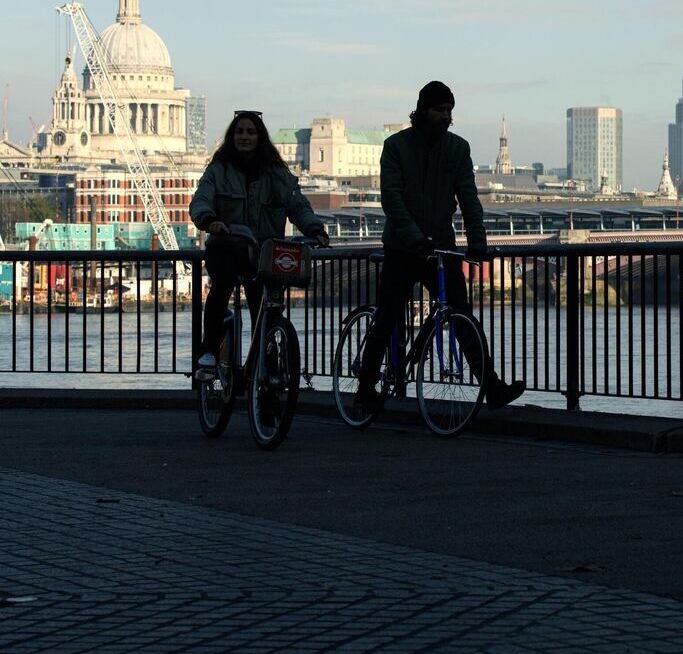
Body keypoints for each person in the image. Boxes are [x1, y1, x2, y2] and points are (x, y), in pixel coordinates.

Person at [357, 80, 524, 412]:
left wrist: (477, 243)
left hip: (441, 248)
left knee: (461, 317)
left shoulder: (458, 149)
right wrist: (413, 237)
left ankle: (491, 388)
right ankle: (364, 388)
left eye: (448, 111)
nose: (445, 116)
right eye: (438, 110)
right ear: (421, 111)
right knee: (388, 315)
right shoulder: (395, 147)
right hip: (403, 249)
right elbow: (392, 200)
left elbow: (469, 198)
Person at [190, 110, 329, 370]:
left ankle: (265, 359)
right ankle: (209, 348)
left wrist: (315, 229)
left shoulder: (276, 174)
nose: (245, 137)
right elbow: (201, 200)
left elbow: (297, 205)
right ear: (232, 136)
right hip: (228, 246)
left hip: (264, 252)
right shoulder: (218, 171)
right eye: (240, 132)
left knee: (263, 305)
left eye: (250, 132)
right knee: (221, 287)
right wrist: (209, 220)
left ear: (260, 137)